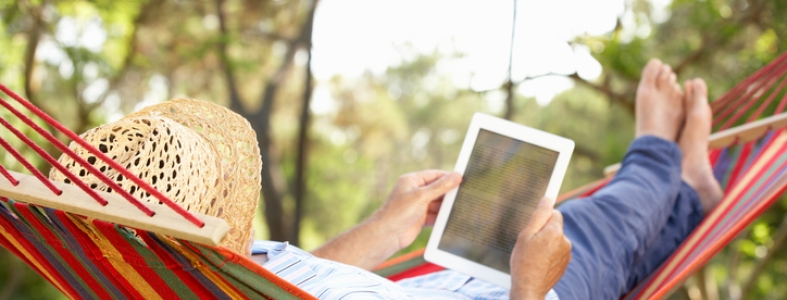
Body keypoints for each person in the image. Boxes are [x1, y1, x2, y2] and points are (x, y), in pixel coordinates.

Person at [52, 58, 723, 299]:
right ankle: (659, 155)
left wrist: (382, 227)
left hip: (445, 280)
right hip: (526, 293)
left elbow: (293, 281)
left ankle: (691, 191)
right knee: (597, 222)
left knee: (613, 237)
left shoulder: (216, 275)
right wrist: (527, 287)